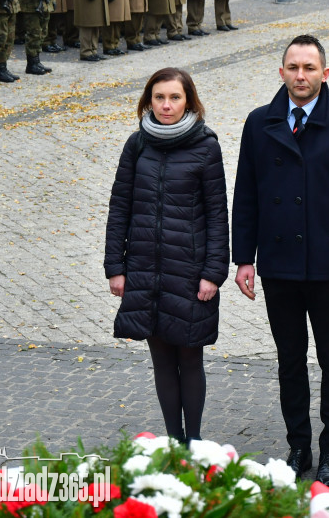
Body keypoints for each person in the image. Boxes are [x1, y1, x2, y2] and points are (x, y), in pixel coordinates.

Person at [231, 34, 329, 488]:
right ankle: (299, 444)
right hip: (279, 265)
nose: (300, 75)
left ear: (325, 74)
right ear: (281, 73)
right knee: (289, 359)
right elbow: (246, 195)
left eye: (309, 68)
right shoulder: (259, 123)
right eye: (293, 67)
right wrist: (243, 258)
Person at [106, 67, 229, 444]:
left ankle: (193, 442)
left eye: (175, 97)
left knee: (190, 359)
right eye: (159, 97)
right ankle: (174, 442)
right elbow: (119, 208)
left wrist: (213, 272)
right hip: (144, 270)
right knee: (161, 360)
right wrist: (115, 267)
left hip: (189, 272)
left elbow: (217, 214)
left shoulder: (206, 145)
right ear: (148, 101)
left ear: (188, 101)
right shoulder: (137, 144)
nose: (166, 105)